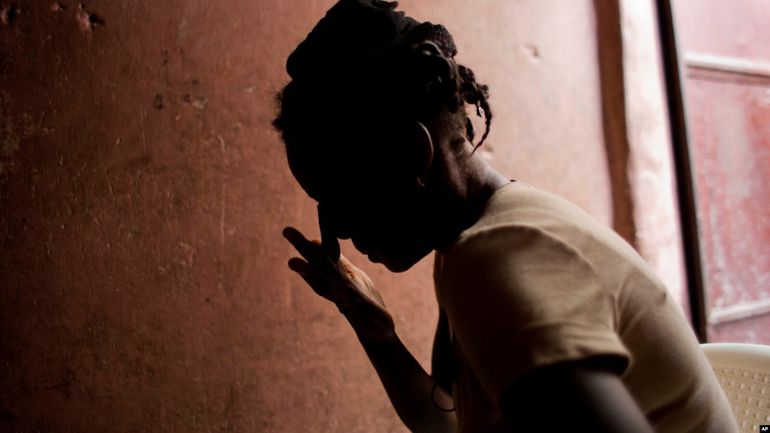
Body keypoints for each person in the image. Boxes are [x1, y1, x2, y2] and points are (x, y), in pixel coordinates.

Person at [273, 1, 738, 432]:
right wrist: (378, 333)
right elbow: (454, 425)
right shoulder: (484, 235)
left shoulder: (496, 261)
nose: (335, 229)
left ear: (414, 153)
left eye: (338, 195)